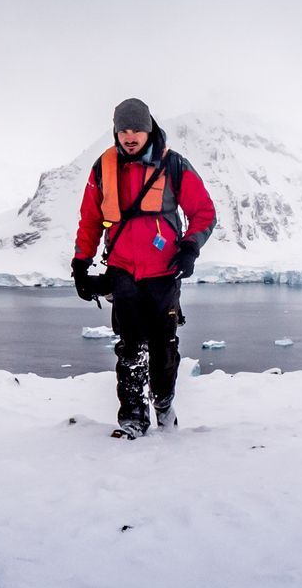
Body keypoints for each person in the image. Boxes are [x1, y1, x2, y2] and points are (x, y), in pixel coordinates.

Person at [71, 98, 217, 439]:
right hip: (123, 272)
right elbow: (90, 220)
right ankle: (133, 418)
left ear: (148, 129)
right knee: (131, 348)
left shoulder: (174, 166)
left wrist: (190, 248)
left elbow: (204, 213)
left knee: (164, 348)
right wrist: (80, 263)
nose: (130, 136)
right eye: (123, 130)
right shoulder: (103, 169)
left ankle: (163, 402)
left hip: (164, 273)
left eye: (136, 129)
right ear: (116, 132)